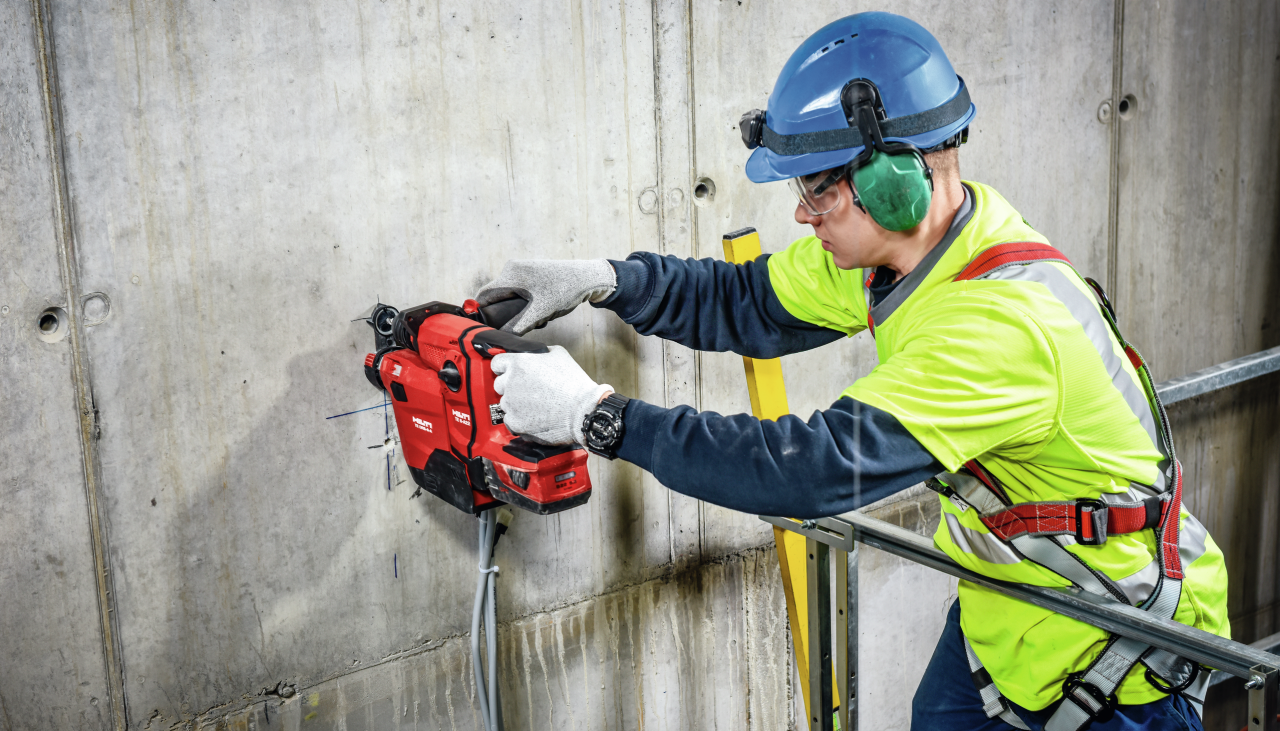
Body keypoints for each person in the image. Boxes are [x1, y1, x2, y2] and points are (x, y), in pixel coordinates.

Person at [476, 12, 1228, 731]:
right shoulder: (910, 252)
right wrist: (607, 279)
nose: (803, 215)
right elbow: (746, 300)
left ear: (895, 182)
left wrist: (599, 418)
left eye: (817, 189)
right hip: (1007, 616)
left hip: (1119, 654)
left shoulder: (998, 326)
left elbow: (806, 467)